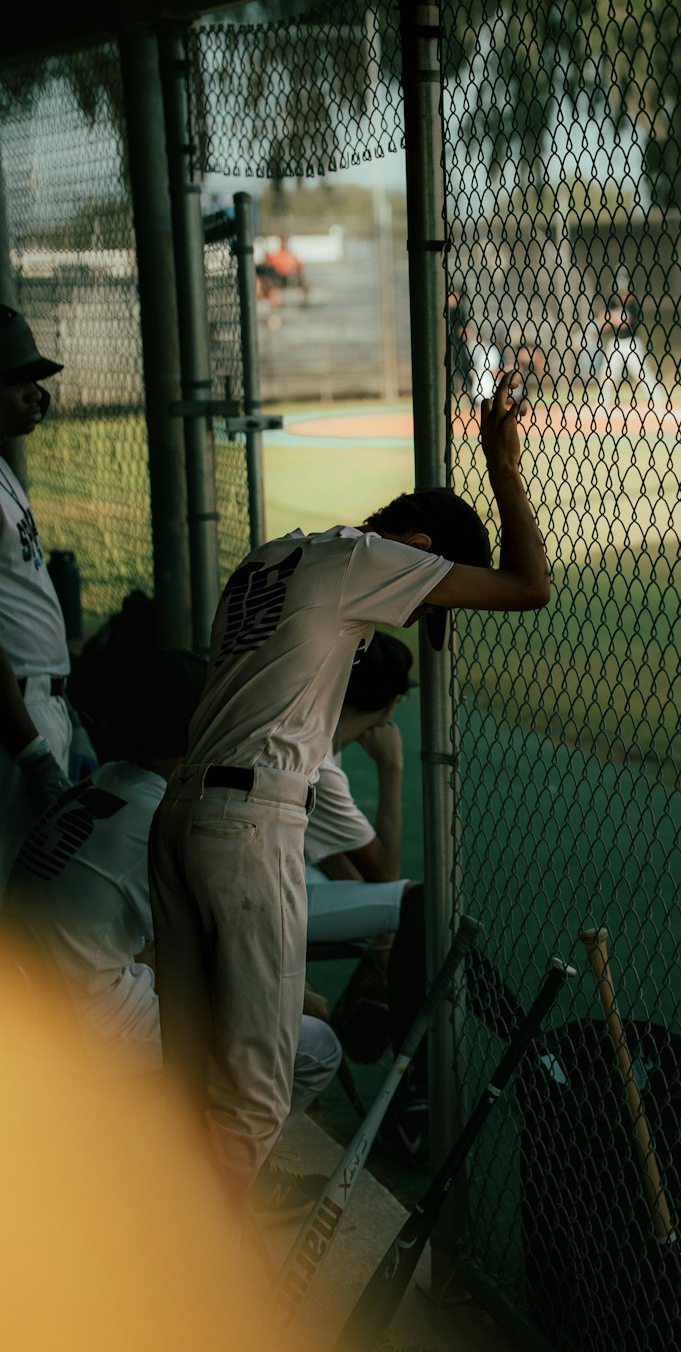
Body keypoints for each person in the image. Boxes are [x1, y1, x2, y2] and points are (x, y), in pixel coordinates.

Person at [148, 372, 550, 1216]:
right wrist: (503, 464)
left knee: (185, 1078)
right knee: (254, 1097)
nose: (423, 603)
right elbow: (528, 584)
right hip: (248, 825)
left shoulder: (272, 555)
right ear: (412, 542)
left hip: (180, 813)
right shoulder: (365, 558)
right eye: (431, 580)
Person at [6, 649, 342, 1222]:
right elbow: (234, 965)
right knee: (311, 1045)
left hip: (33, 1007)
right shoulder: (169, 809)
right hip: (79, 1027)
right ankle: (206, 1194)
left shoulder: (106, 781)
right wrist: (292, 997)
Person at [304, 631, 432, 1160]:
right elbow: (384, 876)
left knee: (396, 912)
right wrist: (392, 768)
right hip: (271, 900)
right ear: (392, 702)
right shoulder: (320, 765)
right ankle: (414, 1098)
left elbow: (341, 867)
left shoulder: (308, 737)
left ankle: (408, 1095)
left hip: (276, 887)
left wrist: (381, 942)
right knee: (421, 905)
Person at [0, 305, 74, 897]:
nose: (34, 394)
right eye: (17, 380)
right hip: (14, 719)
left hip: (36, 706)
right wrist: (29, 750)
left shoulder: (3, 468)